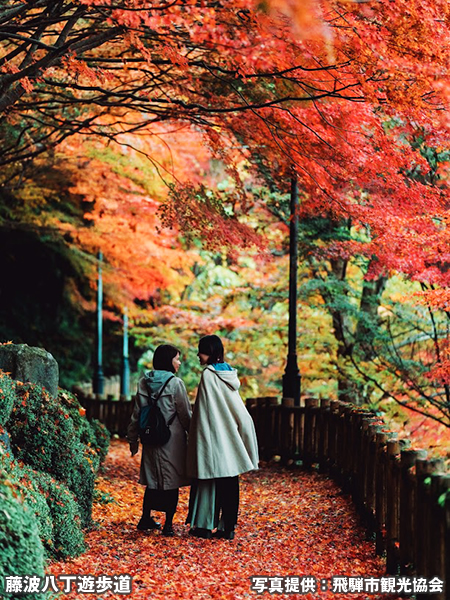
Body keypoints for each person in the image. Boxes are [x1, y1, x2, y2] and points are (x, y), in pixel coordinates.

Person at [186, 334, 259, 540]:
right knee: (230, 481)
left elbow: (206, 412)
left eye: (200, 350)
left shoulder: (209, 375)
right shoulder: (229, 375)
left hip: (214, 438)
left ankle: (204, 525)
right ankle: (228, 527)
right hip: (230, 437)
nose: (198, 355)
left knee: (210, 480)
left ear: (208, 351)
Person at [127, 344, 192, 537]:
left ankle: (145, 517)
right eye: (177, 359)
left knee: (153, 480)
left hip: (150, 436)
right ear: (168, 361)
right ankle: (168, 525)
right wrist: (194, 436)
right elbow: (185, 414)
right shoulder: (175, 384)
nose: (179, 363)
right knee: (171, 481)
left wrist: (133, 439)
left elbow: (137, 414)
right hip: (171, 438)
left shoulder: (144, 382)